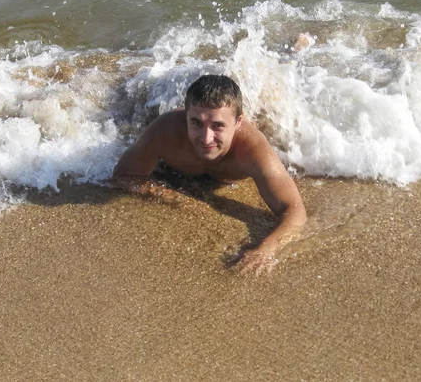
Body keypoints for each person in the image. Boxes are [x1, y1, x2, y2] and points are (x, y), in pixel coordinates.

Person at [112, 74, 307, 274]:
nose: (206, 138)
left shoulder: (254, 151)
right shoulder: (164, 132)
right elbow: (123, 176)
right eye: (196, 123)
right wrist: (170, 196)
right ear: (185, 116)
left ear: (238, 122)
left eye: (218, 126)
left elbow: (294, 210)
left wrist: (266, 249)